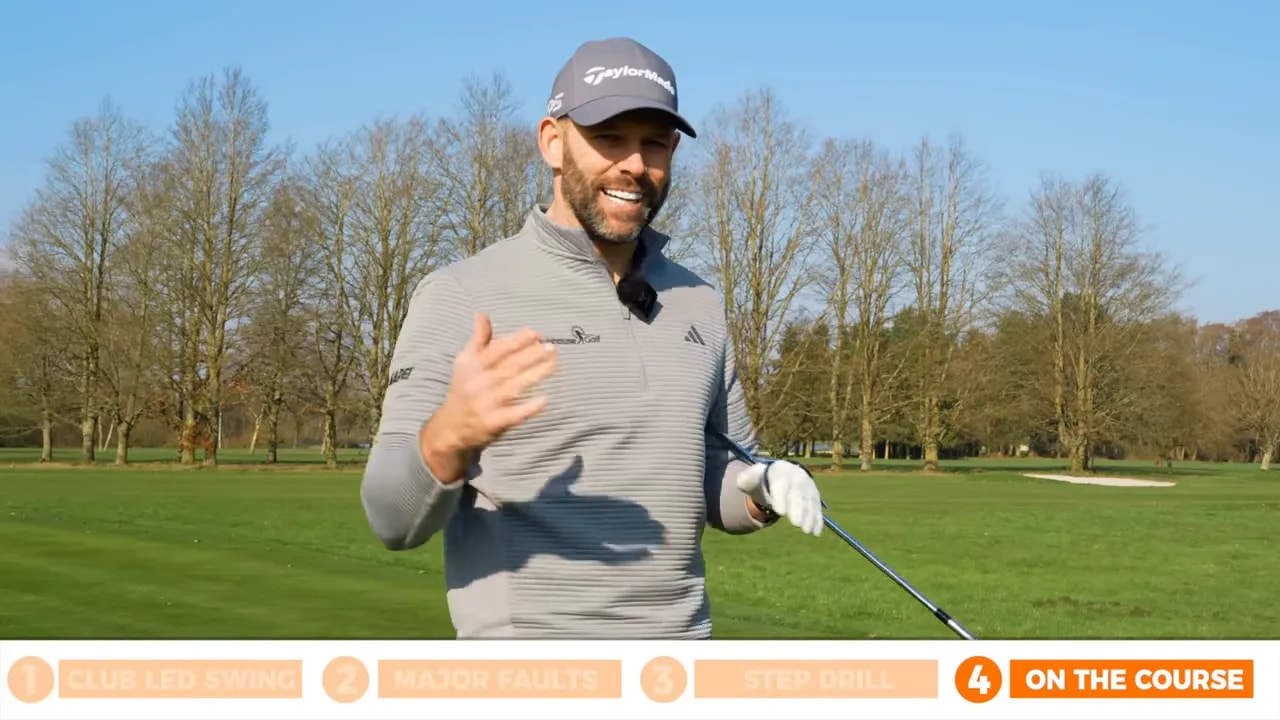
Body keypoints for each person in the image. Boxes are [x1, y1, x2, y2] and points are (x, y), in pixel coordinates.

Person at [359, 36, 824, 640]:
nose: (635, 163)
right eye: (609, 137)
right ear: (553, 142)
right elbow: (389, 518)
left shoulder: (700, 303)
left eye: (654, 142)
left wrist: (761, 487)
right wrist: (449, 438)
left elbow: (716, 482)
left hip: (680, 666)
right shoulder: (461, 295)